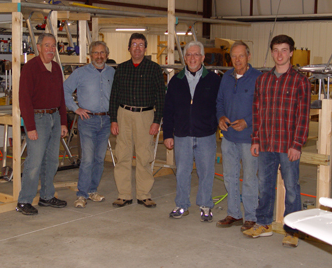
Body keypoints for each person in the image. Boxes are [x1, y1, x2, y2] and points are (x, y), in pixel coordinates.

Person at [243, 35, 311, 248]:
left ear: (291, 52)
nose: (279, 54)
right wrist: (256, 140)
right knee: (265, 186)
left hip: (288, 145)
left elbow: (303, 116)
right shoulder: (263, 80)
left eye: (284, 50)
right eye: (275, 50)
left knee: (291, 187)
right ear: (271, 52)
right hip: (266, 144)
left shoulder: (301, 81)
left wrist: (297, 144)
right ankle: (264, 223)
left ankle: (292, 230)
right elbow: (257, 112)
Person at [163, 41, 221, 222]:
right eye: (189, 55)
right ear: (185, 58)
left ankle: (205, 205)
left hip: (206, 135)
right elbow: (168, 109)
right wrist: (167, 134)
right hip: (182, 135)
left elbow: (220, 107)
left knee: (206, 171)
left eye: (196, 55)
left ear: (203, 58)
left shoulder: (214, 80)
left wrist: (219, 127)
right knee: (182, 171)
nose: (192, 58)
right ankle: (182, 205)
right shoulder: (176, 81)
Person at [109, 33, 165, 208]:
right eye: (134, 44)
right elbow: (114, 96)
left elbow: (161, 97)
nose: (137, 48)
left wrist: (157, 120)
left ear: (145, 48)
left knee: (144, 155)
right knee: (122, 155)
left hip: (145, 116)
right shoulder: (121, 69)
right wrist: (113, 120)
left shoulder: (154, 69)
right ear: (129, 48)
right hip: (123, 114)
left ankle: (143, 194)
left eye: (141, 45)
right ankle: (124, 194)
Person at [17, 33, 68, 215]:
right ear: (38, 47)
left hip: (54, 116)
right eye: (47, 45)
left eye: (53, 46)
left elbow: (61, 97)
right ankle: (24, 201)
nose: (50, 49)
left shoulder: (55, 67)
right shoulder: (31, 68)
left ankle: (47, 196)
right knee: (35, 162)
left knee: (52, 161)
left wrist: (63, 122)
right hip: (38, 119)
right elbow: (24, 100)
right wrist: (29, 127)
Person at [216, 41, 261, 231]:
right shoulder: (226, 77)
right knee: (230, 176)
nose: (237, 60)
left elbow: (262, 108)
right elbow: (219, 101)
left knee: (250, 178)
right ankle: (234, 213)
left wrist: (247, 122)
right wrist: (220, 117)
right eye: (234, 56)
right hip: (228, 137)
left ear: (248, 56)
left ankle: (251, 216)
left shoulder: (258, 78)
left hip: (249, 138)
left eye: (241, 55)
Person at [63, 41, 115, 208]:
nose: (99, 56)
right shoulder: (80, 73)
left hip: (106, 120)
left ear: (106, 55)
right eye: (95, 53)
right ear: (90, 55)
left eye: (102, 53)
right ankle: (82, 194)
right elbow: (64, 90)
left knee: (99, 159)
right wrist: (75, 109)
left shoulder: (112, 72)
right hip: (87, 120)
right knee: (87, 160)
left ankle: (92, 191)